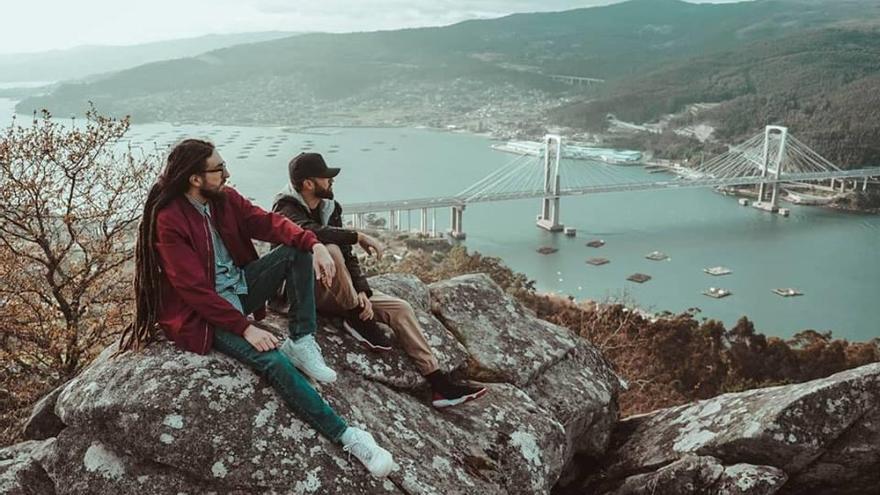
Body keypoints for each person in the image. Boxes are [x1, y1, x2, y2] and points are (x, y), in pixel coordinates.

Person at [118, 139, 394, 477]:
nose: (227, 173)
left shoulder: (224, 199)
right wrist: (245, 327)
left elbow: (270, 223)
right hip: (206, 313)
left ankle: (302, 339)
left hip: (240, 287)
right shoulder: (169, 219)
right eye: (219, 168)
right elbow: (194, 290)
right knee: (272, 361)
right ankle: (349, 436)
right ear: (194, 178)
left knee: (297, 251)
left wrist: (315, 244)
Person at [272, 152, 488, 408]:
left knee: (401, 309)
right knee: (329, 248)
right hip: (301, 292)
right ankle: (354, 316)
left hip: (337, 289)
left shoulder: (331, 208)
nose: (332, 181)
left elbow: (348, 256)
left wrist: (361, 290)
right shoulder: (285, 207)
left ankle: (439, 384)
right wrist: (356, 235)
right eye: (326, 177)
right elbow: (309, 232)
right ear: (308, 183)